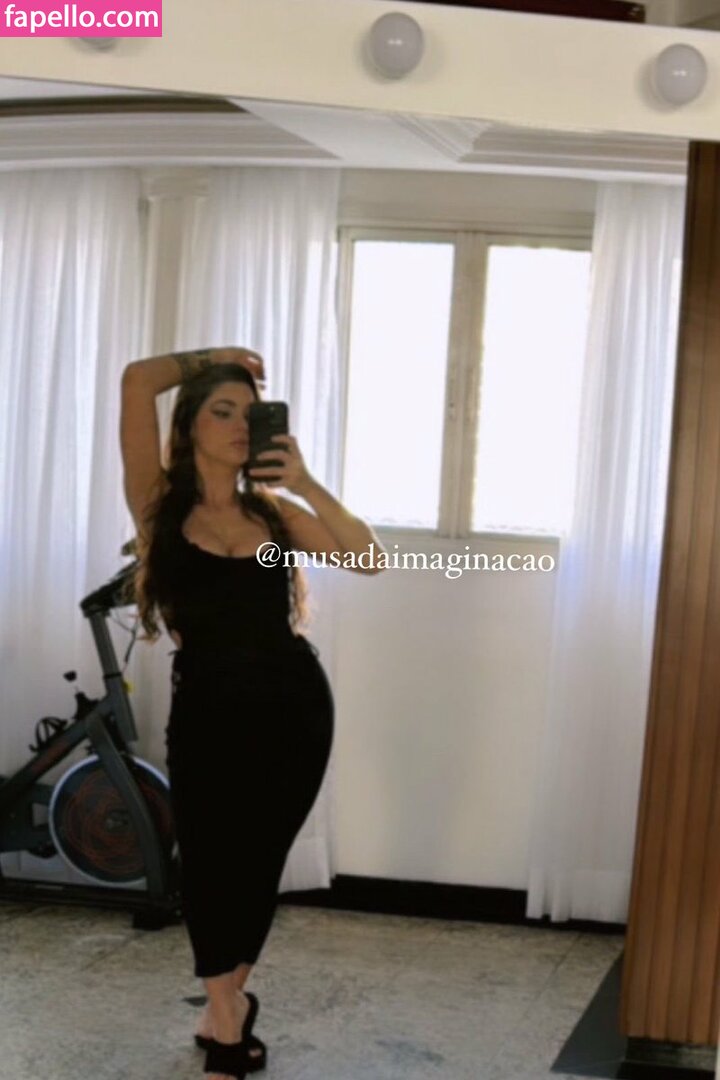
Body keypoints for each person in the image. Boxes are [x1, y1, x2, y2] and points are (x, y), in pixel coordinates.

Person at [119, 346, 385, 1080]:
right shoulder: (159, 507)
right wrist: (216, 358)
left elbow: (368, 557)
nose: (241, 425)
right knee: (209, 862)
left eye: (250, 413)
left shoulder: (273, 514)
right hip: (207, 711)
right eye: (223, 411)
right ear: (190, 427)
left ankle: (225, 1008)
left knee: (257, 864)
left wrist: (306, 482)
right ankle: (228, 1013)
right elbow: (138, 381)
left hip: (293, 708)